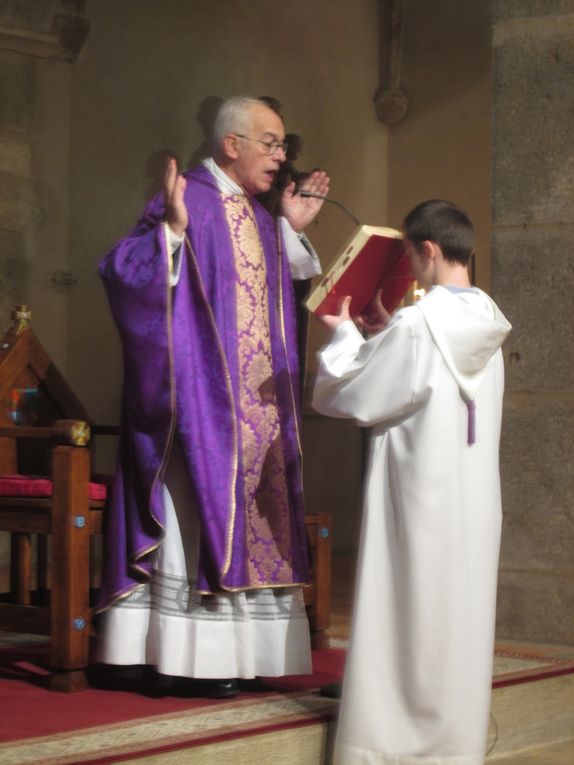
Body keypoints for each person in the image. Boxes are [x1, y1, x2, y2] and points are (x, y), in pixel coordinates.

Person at [96, 96, 329, 698]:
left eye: (282, 145)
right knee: (194, 517)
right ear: (232, 144)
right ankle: (179, 658)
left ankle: (239, 653)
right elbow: (123, 271)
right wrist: (171, 235)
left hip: (257, 413)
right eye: (271, 143)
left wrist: (289, 231)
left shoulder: (257, 213)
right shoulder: (191, 199)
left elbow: (268, 300)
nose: (282, 157)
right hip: (196, 402)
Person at [312, 199, 511, 764]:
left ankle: (393, 748)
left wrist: (344, 335)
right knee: (456, 623)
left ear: (427, 249)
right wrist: (382, 338)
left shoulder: (422, 323)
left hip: (418, 500)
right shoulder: (487, 319)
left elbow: (353, 396)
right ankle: (452, 747)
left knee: (405, 618)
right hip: (472, 505)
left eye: (407, 254)